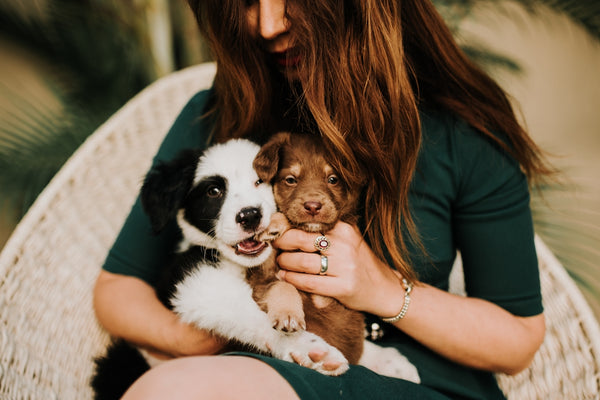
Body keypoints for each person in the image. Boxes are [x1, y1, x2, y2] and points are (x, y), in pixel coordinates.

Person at [93, 0, 554, 399]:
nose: (268, 24)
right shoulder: (213, 117)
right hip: (254, 370)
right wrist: (197, 341)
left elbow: (517, 340)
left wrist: (382, 289)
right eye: (248, 1)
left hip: (419, 386)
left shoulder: (462, 135)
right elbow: (116, 290)